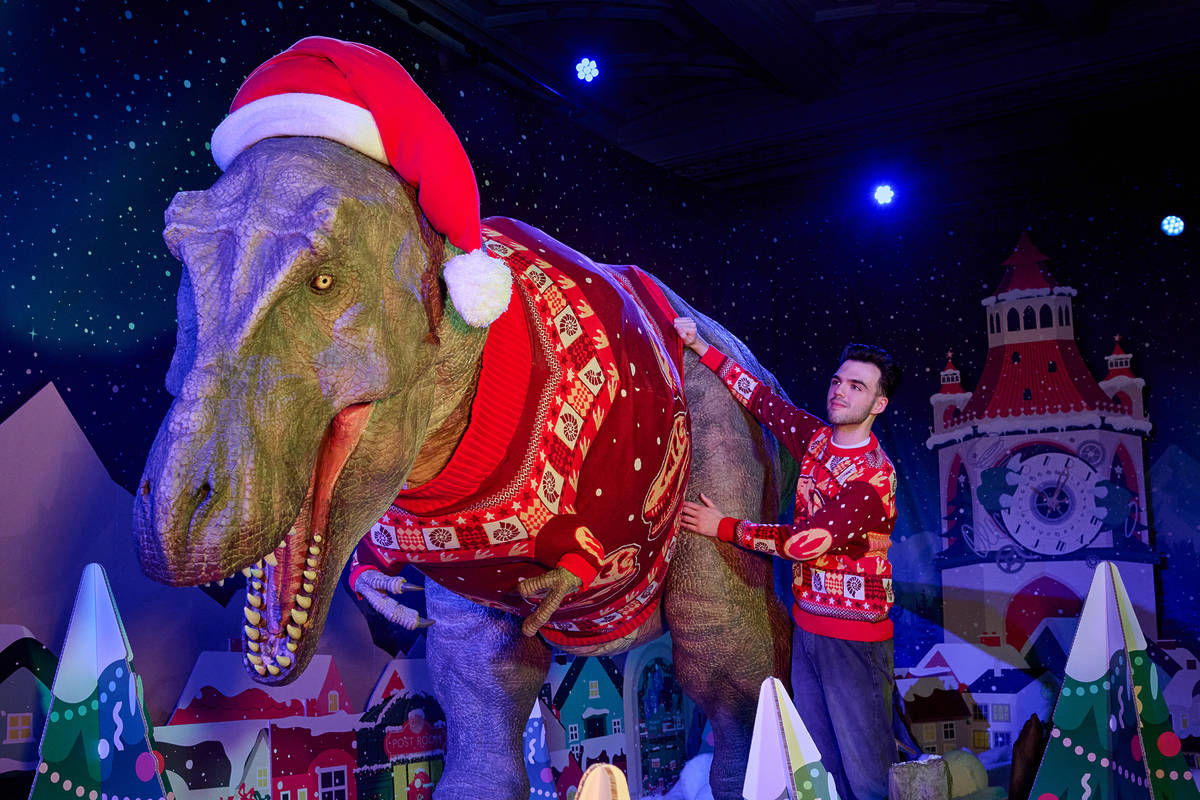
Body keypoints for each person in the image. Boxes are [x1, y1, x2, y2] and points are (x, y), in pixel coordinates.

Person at [673, 316, 900, 800]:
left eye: (856, 387)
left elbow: (807, 542)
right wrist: (700, 348)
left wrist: (725, 528)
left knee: (868, 773)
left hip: (854, 641)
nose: (840, 391)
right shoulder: (818, 442)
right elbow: (760, 400)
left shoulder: (873, 480)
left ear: (878, 403)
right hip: (810, 629)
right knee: (819, 763)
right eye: (838, 381)